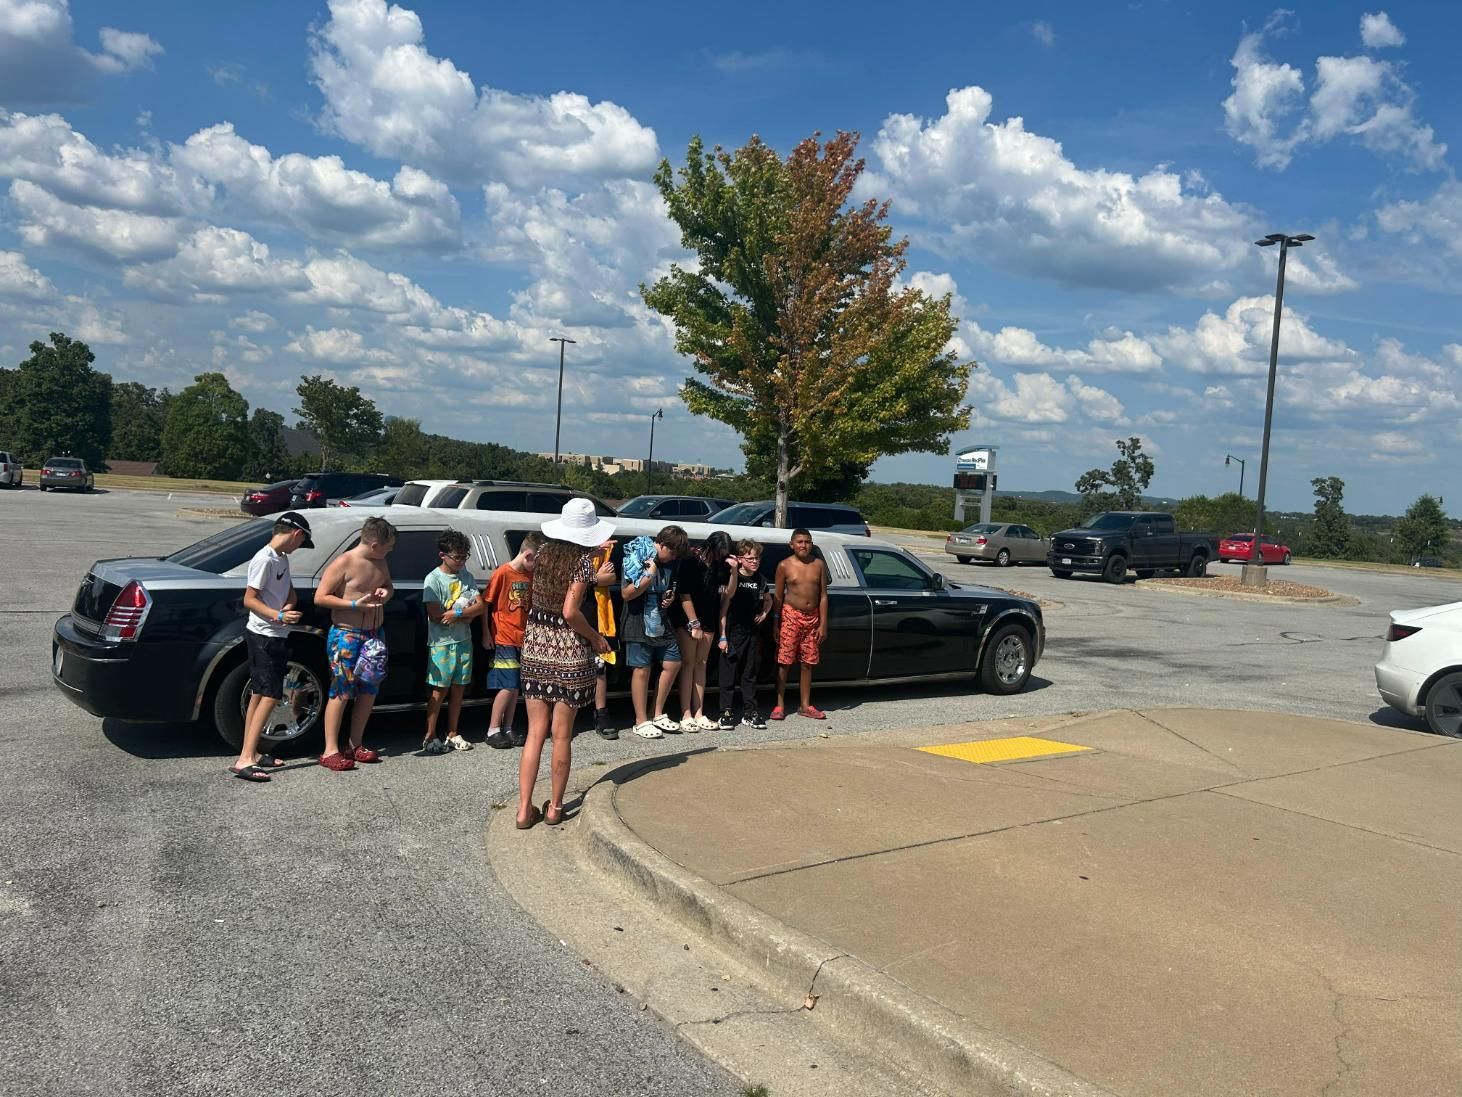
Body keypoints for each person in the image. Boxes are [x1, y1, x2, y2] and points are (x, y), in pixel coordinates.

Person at [516, 499, 614, 829]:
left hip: (535, 643)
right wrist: (596, 638)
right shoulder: (583, 563)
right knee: (562, 736)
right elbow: (571, 611)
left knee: (534, 734)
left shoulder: (541, 555)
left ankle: (524, 809)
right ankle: (556, 807)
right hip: (568, 647)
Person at [229, 511, 313, 782]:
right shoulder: (263, 559)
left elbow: (289, 592)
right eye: (300, 543)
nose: (298, 548)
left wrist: (288, 606)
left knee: (259, 692)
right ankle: (244, 760)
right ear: (296, 534)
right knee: (270, 694)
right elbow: (250, 599)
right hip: (263, 634)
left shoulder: (281, 558)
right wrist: (277, 616)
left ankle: (253, 751)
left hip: (277, 634)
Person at [316, 516, 396, 770]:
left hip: (374, 635)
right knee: (341, 690)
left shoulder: (381, 561)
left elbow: (388, 586)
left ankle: (355, 744)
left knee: (369, 690)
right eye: (389, 545)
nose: (391, 550)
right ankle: (330, 750)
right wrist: (353, 604)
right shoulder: (344, 562)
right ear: (374, 544)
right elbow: (320, 597)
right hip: (346, 634)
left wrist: (387, 592)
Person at [620, 525, 689, 739]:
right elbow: (626, 594)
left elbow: (668, 588)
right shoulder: (636, 556)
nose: (674, 557)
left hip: (660, 619)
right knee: (642, 669)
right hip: (637, 620)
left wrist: (668, 597)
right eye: (673, 552)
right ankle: (640, 720)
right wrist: (649, 575)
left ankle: (656, 713)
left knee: (673, 662)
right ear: (662, 544)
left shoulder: (669, 564)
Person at [422, 529, 486, 754]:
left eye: (464, 557)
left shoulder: (466, 576)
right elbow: (435, 615)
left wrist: (458, 614)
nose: (461, 561)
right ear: (443, 555)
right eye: (456, 557)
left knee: (459, 688)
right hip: (441, 643)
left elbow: (480, 605)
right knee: (439, 690)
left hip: (463, 640)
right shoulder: (433, 579)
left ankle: (452, 732)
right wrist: (463, 612)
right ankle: (430, 735)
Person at [483, 532, 544, 750]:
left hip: (523, 637)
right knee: (507, 685)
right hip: (504, 636)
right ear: (528, 555)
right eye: (536, 561)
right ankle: (493, 729)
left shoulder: (530, 575)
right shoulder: (503, 573)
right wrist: (486, 633)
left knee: (517, 686)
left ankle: (507, 727)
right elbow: (486, 604)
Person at [674, 530, 736, 731]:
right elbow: (683, 594)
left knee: (702, 664)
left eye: (725, 553)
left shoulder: (720, 565)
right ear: (711, 546)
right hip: (689, 620)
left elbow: (729, 593)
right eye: (719, 552)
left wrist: (734, 570)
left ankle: (699, 712)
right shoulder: (690, 560)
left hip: (709, 618)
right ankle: (686, 713)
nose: (721, 556)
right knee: (688, 664)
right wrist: (694, 623)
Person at [772, 528, 829, 721]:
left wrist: (823, 624)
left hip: (812, 618)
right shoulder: (784, 565)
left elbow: (823, 596)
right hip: (790, 616)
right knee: (784, 661)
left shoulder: (819, 564)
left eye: (807, 541)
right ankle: (779, 705)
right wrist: (775, 622)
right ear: (792, 544)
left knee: (808, 662)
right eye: (800, 541)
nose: (803, 545)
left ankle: (805, 705)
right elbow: (778, 597)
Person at [717, 538, 773, 730]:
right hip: (733, 633)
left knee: (749, 674)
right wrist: (722, 636)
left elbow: (768, 599)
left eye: (757, 558)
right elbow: (723, 609)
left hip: (752, 633)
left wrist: (764, 613)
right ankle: (726, 711)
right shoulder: (732, 578)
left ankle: (750, 712)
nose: (755, 562)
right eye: (750, 558)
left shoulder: (761, 579)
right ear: (740, 559)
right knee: (728, 674)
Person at [589, 539, 618, 740]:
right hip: (572, 617)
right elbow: (569, 581)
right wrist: (596, 578)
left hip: (599, 618)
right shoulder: (569, 550)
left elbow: (612, 578)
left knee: (600, 667)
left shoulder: (605, 552)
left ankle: (601, 712)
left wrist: (597, 578)